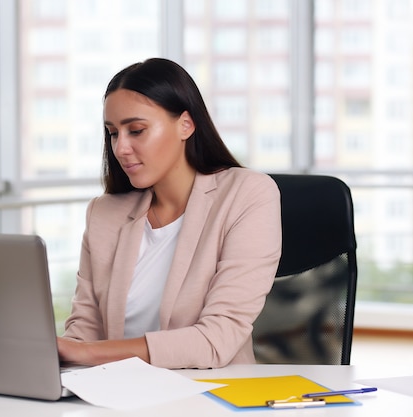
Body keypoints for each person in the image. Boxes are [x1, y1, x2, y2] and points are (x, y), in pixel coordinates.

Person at [57, 58, 282, 369]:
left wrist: (86, 353)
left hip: (211, 396)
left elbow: (217, 339)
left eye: (136, 130)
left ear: (186, 125)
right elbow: (84, 333)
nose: (121, 148)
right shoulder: (104, 213)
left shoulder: (248, 194)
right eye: (112, 133)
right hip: (120, 395)